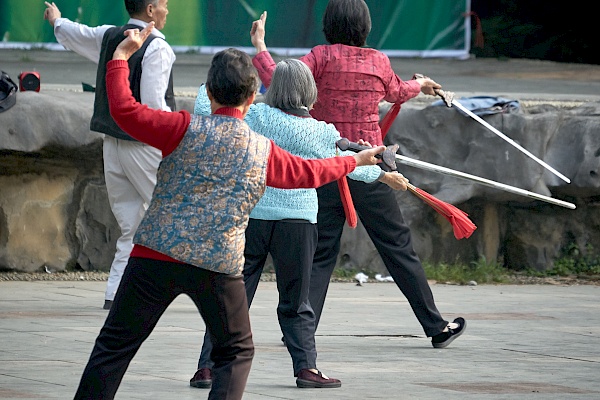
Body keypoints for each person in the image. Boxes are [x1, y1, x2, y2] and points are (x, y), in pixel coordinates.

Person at [72, 23, 388, 400]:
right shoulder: (261, 150)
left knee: (113, 348)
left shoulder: (181, 127)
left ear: (207, 92)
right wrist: (356, 161)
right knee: (236, 351)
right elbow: (311, 172)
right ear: (254, 95)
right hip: (217, 264)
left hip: (154, 254)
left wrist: (121, 57)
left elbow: (124, 111)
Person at [250, 0, 467, 349]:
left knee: (321, 253)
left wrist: (260, 45)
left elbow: (279, 81)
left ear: (328, 24)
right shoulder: (378, 61)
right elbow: (397, 91)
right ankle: (435, 325)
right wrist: (421, 84)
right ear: (365, 26)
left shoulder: (320, 57)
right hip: (371, 167)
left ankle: (301, 330)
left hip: (326, 166)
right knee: (397, 247)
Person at [190, 59, 409, 389]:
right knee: (296, 302)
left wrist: (220, 81)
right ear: (310, 91)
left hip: (254, 218)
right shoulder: (323, 133)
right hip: (299, 223)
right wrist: (384, 175)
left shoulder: (256, 116)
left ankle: (206, 368)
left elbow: (207, 104)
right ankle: (306, 368)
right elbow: (350, 166)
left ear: (273, 88)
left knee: (233, 298)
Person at [43, 0, 175, 310]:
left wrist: (57, 20)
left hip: (112, 143)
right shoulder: (157, 48)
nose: (169, 10)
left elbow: (76, 33)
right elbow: (155, 106)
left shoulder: (109, 35)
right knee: (170, 212)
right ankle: (188, 289)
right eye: (166, 4)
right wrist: (178, 137)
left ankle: (116, 295)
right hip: (143, 145)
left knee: (131, 224)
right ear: (152, 10)